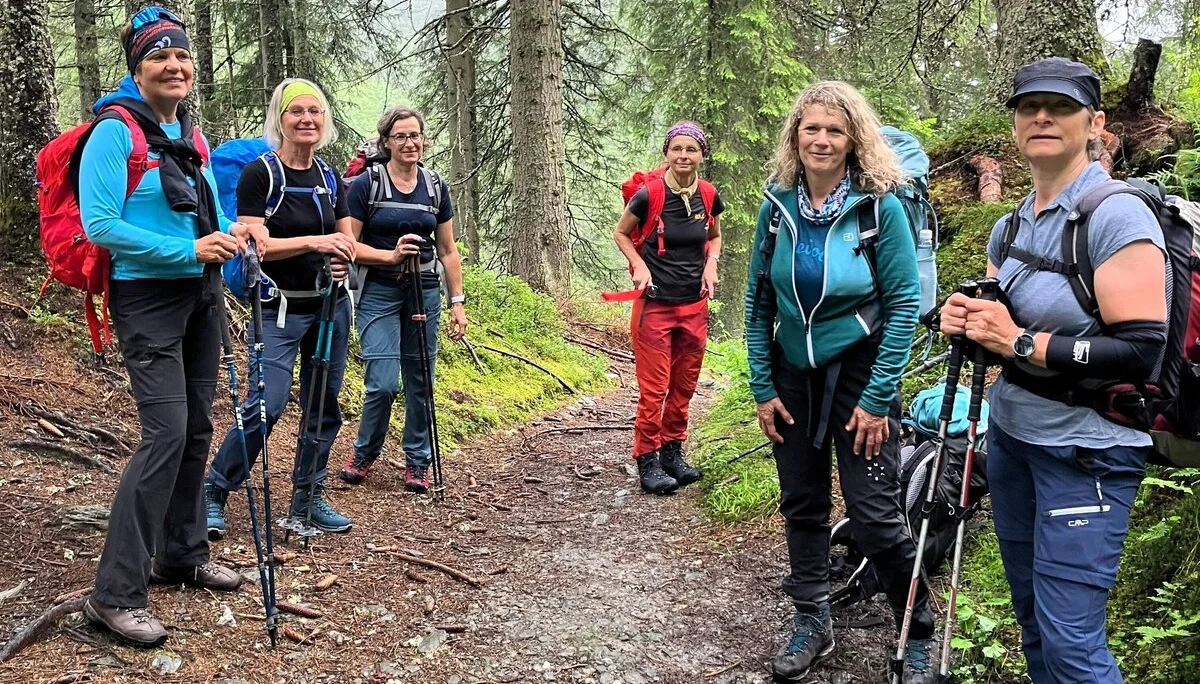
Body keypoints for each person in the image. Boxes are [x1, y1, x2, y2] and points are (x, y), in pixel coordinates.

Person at [939, 57, 1167, 684]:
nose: (1042, 117)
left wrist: (1018, 341)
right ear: (1015, 124)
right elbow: (1003, 338)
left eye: (1062, 107)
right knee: (1035, 623)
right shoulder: (1012, 224)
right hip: (1014, 440)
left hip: (1086, 452)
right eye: (1029, 106)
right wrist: (968, 323)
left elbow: (1140, 351)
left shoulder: (1117, 216)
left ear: (1095, 123)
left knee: (1071, 644)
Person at [76, 7, 260, 646]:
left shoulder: (188, 134)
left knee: (196, 427)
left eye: (181, 55)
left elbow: (202, 213)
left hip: (199, 295)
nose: (174, 65)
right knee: (165, 433)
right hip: (148, 297)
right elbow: (101, 225)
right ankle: (113, 594)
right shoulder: (113, 134)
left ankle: (181, 554)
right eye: (159, 56)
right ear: (137, 69)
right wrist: (188, 251)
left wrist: (235, 230)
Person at [743, 81, 937, 682]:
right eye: (812, 128)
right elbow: (757, 303)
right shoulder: (778, 206)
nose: (822, 140)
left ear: (854, 138)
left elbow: (903, 306)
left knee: (875, 515)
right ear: (795, 135)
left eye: (835, 129)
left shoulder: (880, 207)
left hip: (862, 373)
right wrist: (762, 387)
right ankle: (813, 619)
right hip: (791, 375)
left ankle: (916, 629)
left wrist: (878, 399)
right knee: (802, 503)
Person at [203, 78, 357, 538]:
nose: (307, 119)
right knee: (266, 404)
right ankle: (215, 489)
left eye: (315, 111)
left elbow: (346, 238)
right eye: (296, 111)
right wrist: (317, 242)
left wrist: (342, 257)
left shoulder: (330, 177)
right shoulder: (260, 174)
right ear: (280, 118)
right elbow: (256, 246)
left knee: (322, 404)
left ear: (324, 120)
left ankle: (308, 496)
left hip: (329, 307)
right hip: (277, 308)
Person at [338, 106, 468, 492]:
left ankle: (418, 460)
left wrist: (457, 302)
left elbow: (447, 250)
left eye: (415, 135)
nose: (409, 143)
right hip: (378, 290)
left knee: (420, 378)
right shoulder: (368, 185)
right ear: (386, 142)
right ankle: (365, 451)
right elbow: (348, 244)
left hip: (424, 291)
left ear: (424, 140)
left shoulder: (435, 187)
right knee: (382, 382)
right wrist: (390, 256)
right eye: (400, 137)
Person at [613, 121, 723, 495]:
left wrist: (711, 263)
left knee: (684, 386)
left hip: (694, 306)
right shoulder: (650, 195)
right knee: (655, 389)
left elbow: (714, 235)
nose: (683, 156)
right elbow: (621, 232)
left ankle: (673, 453)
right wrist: (639, 265)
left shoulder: (708, 195)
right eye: (677, 148)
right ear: (667, 153)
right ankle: (647, 459)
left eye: (691, 149)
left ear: (701, 155)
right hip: (655, 307)